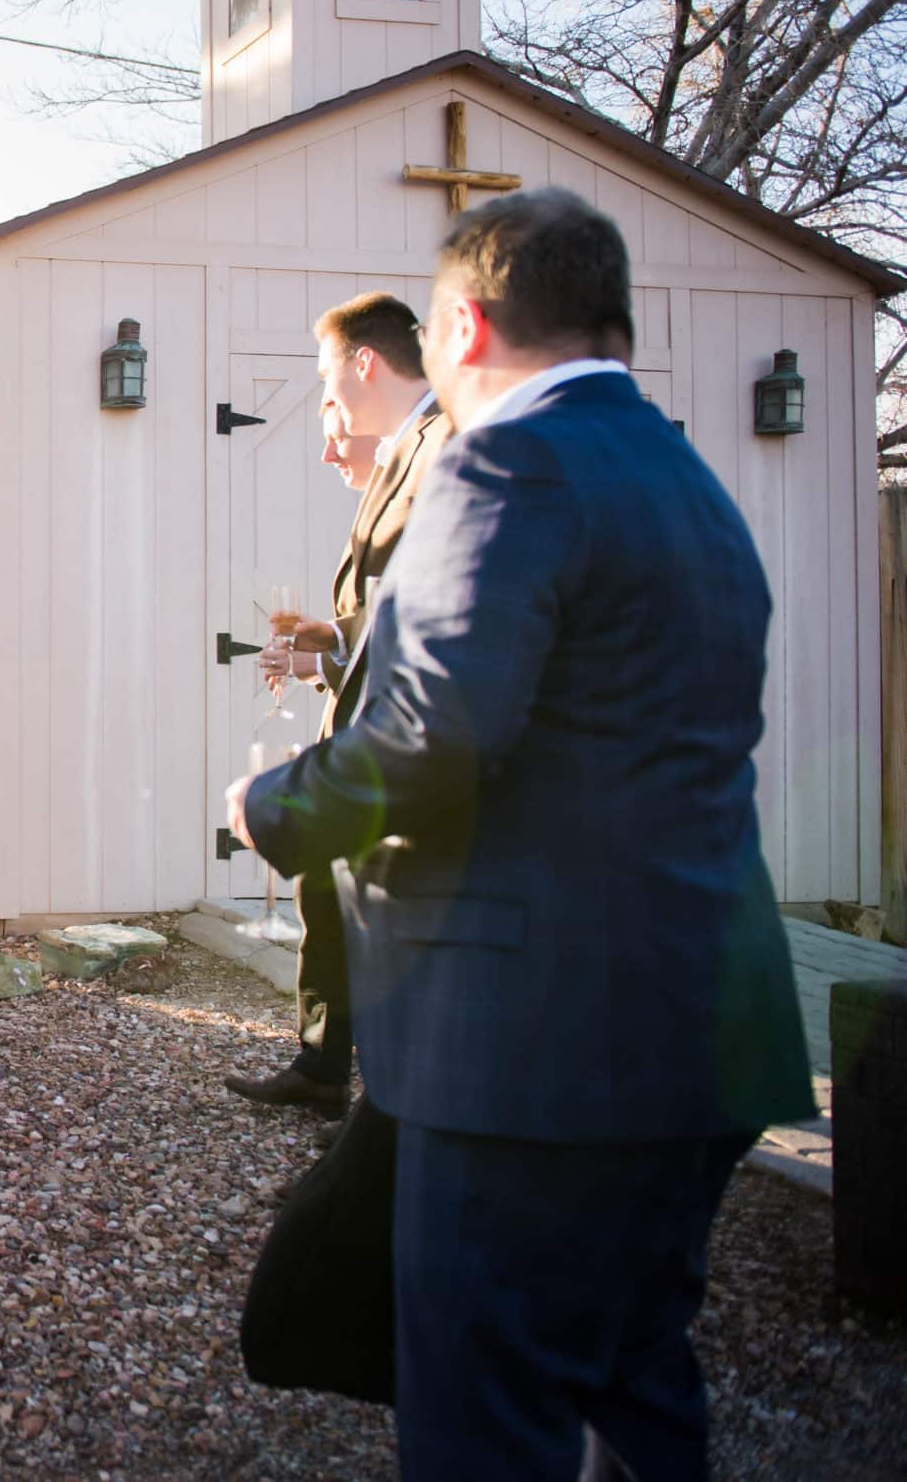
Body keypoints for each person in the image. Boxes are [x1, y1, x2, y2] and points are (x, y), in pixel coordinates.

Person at [229, 189, 813, 1479]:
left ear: (461, 321)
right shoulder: (688, 479)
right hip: (700, 1024)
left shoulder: (503, 462)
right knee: (632, 1382)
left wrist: (275, 808)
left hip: (534, 1045)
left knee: (486, 1416)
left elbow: (432, 735)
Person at [229, 293, 447, 1120]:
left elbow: (429, 611)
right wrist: (336, 639)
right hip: (361, 725)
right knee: (328, 892)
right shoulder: (405, 451)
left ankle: (383, 1125)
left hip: (405, 745)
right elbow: (387, 608)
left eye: (327, 378)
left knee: (384, 925)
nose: (326, 402)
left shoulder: (443, 447)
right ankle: (323, 1071)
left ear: (364, 363)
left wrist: (349, 644)